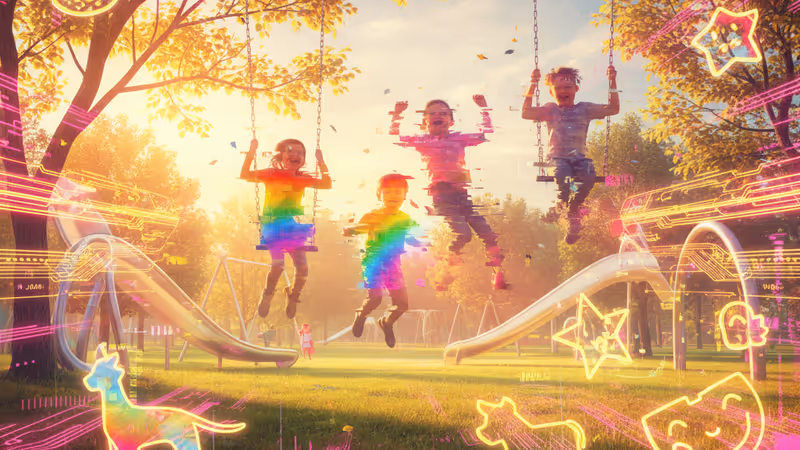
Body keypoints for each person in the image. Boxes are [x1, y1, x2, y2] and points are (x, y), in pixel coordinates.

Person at [393, 97, 504, 290]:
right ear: (424, 121)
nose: (438, 116)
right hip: (441, 194)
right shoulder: (422, 141)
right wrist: (397, 115)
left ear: (451, 121)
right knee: (463, 234)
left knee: (484, 228)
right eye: (433, 113)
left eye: (443, 113)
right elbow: (396, 138)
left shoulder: (459, 138)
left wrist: (484, 108)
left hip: (461, 193)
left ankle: (496, 264)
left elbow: (485, 134)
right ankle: (446, 267)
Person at [521, 66, 619, 244]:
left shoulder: (585, 109)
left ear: (576, 89)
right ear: (552, 92)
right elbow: (526, 113)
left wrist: (612, 80)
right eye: (558, 88)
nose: (563, 91)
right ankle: (569, 212)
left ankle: (573, 210)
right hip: (557, 158)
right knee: (563, 177)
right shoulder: (550, 110)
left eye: (567, 87)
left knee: (588, 176)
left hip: (580, 158)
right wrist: (533, 84)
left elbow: (613, 109)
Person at [240, 138, 332, 319]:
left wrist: (321, 161)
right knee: (278, 265)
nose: (295, 155)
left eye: (300, 153)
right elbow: (245, 175)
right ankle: (267, 295)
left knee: (303, 269)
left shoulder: (303, 179)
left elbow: (327, 184)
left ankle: (293, 295)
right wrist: (251, 152)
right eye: (290, 151)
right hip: (273, 227)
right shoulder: (270, 174)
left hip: (293, 228)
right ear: (281, 155)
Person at [344, 174, 427, 348]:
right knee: (375, 298)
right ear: (379, 195)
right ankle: (361, 315)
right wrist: (349, 230)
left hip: (393, 264)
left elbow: (408, 239)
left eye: (398, 191)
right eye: (387, 191)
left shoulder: (404, 218)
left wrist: (423, 242)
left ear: (405, 195)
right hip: (373, 260)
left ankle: (387, 323)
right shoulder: (372, 215)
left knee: (402, 305)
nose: (392, 195)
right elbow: (357, 230)